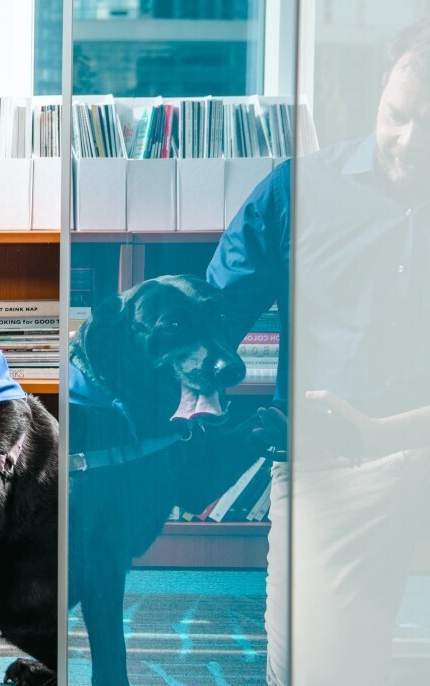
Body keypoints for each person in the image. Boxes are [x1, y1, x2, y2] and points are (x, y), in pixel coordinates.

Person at [207, 16, 430, 685]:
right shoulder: (295, 191)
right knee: (311, 672)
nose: (410, 143)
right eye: (398, 116)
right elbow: (214, 316)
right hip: (335, 465)